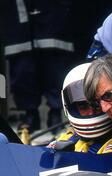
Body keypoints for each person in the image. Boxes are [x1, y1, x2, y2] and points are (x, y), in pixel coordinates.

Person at [0, 1, 75, 133]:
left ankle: (56, 113)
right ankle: (30, 114)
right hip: (17, 18)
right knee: (22, 69)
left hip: (52, 17)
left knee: (54, 68)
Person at [47, 62, 112, 154]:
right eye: (83, 106)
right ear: (70, 107)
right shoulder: (67, 138)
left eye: (96, 105)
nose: (91, 112)